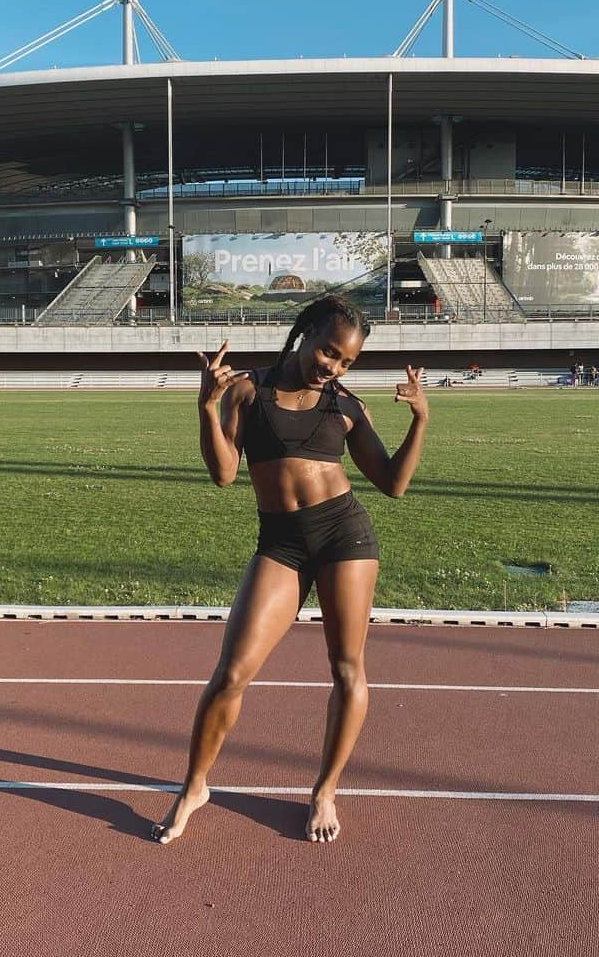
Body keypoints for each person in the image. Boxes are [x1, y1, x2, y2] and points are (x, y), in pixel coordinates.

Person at [152, 295, 429, 845]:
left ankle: (325, 790)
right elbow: (225, 474)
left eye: (346, 361)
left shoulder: (346, 406)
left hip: (344, 535)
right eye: (329, 351)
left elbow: (394, 482)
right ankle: (194, 787)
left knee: (347, 667)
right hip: (280, 544)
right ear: (305, 333)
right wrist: (207, 408)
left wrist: (421, 419)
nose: (334, 366)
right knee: (231, 673)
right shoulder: (247, 390)